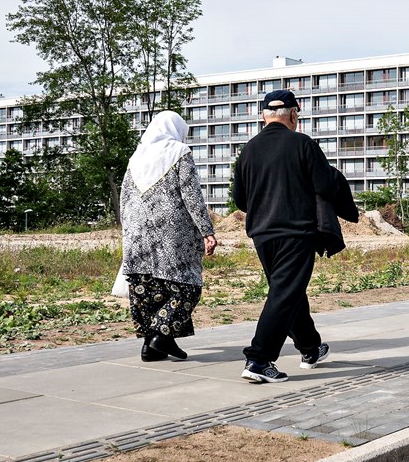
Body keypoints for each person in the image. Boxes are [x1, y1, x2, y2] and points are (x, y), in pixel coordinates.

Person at [232, 89, 357, 383]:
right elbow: (325, 185)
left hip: (262, 233)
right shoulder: (302, 143)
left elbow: (240, 199)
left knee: (288, 291)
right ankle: (259, 360)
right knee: (285, 292)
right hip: (296, 232)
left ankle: (310, 348)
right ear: (292, 115)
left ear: (263, 116)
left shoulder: (248, 150)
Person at [121, 110, 217, 362]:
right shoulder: (179, 153)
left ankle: (151, 347)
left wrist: (128, 233)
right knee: (187, 287)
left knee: (149, 290)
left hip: (137, 237)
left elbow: (124, 201)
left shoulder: (136, 157)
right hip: (172, 236)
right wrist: (207, 231)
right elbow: (192, 195)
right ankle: (159, 338)